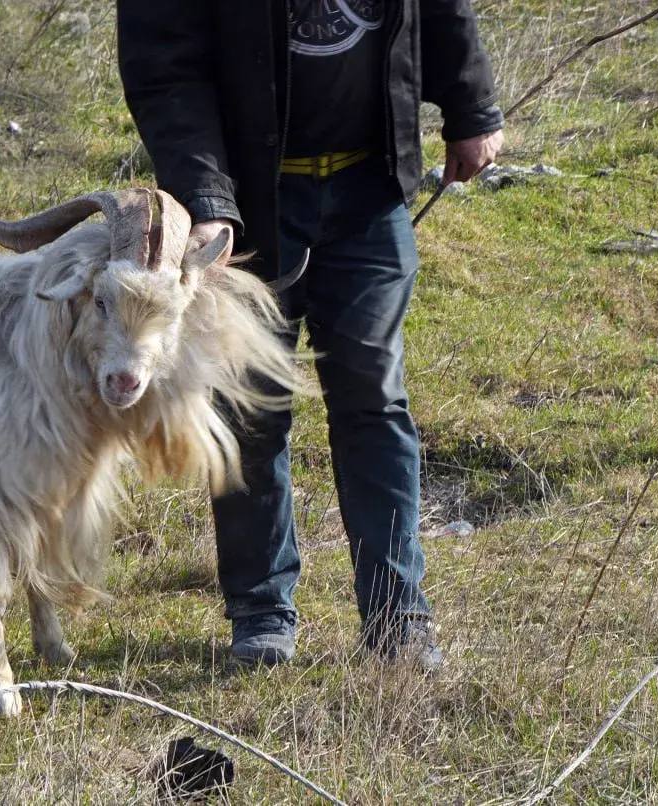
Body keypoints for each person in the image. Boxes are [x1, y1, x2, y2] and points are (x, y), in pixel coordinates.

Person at [116, 1, 504, 670]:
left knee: (373, 400)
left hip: (370, 191)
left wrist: (471, 109)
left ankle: (398, 621)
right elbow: (163, 67)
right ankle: (261, 615)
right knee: (250, 408)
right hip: (248, 205)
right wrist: (206, 200)